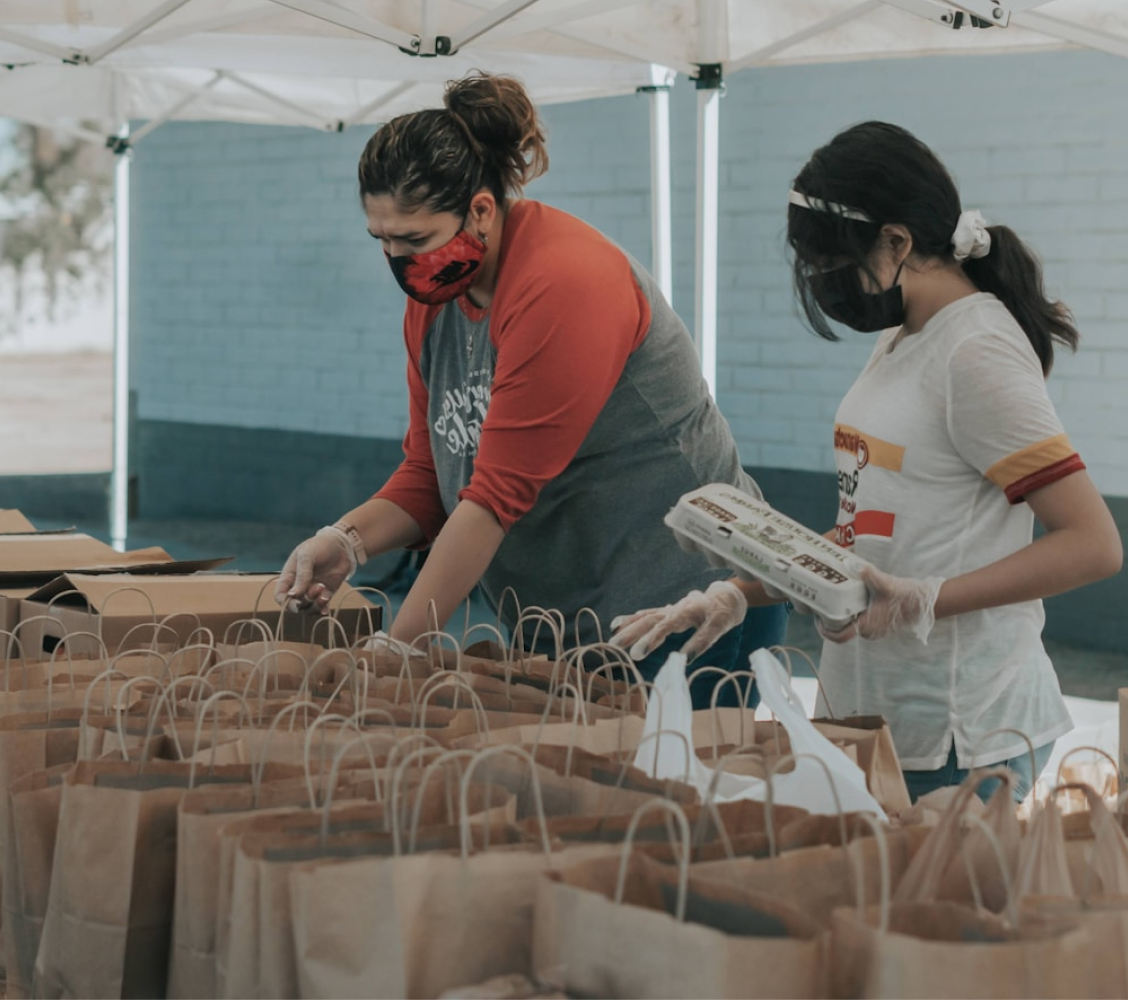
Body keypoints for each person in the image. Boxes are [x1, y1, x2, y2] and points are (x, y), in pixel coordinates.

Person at [610, 121, 1122, 801]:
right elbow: (872, 539)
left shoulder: (977, 351)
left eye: (829, 265)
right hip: (873, 717)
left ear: (898, 242)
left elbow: (1093, 545)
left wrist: (926, 599)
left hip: (959, 732)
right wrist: (744, 586)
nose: (823, 284)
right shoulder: (906, 336)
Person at [275, 71, 786, 708]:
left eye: (415, 239)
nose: (399, 262)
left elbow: (492, 498)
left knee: (673, 795)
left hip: (685, 604)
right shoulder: (435, 301)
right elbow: (431, 470)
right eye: (381, 241)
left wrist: (395, 649)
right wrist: (346, 540)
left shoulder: (564, 284)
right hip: (570, 618)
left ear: (481, 210)